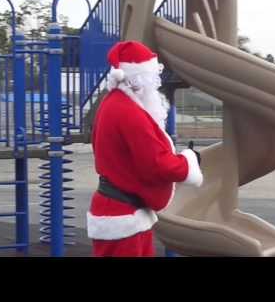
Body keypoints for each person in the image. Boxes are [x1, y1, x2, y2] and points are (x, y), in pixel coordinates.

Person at [86, 40, 203, 257]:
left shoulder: (112, 103)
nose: (155, 85)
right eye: (153, 78)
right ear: (139, 79)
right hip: (124, 216)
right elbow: (157, 163)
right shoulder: (128, 112)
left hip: (119, 210)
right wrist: (188, 162)